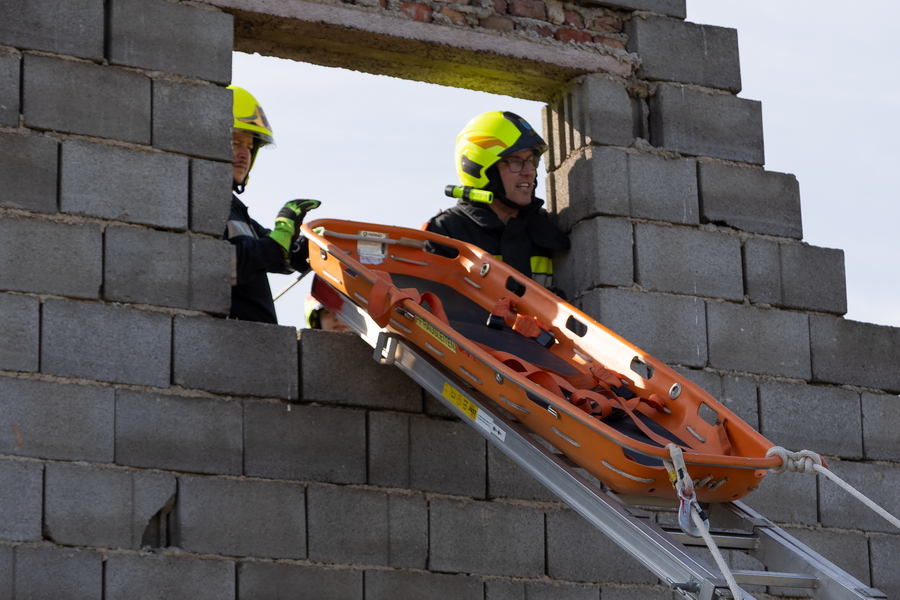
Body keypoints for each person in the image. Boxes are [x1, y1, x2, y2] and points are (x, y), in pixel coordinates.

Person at [425, 111, 570, 293]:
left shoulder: (548, 227)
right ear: (480, 168)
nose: (529, 172)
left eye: (532, 161)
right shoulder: (446, 233)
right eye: (515, 162)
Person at [225, 85, 320, 323]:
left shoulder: (234, 209)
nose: (244, 154)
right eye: (235, 142)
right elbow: (211, 268)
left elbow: (275, 255)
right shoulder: (196, 205)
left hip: (253, 340)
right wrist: (278, 243)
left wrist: (309, 246)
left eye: (250, 147)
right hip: (221, 338)